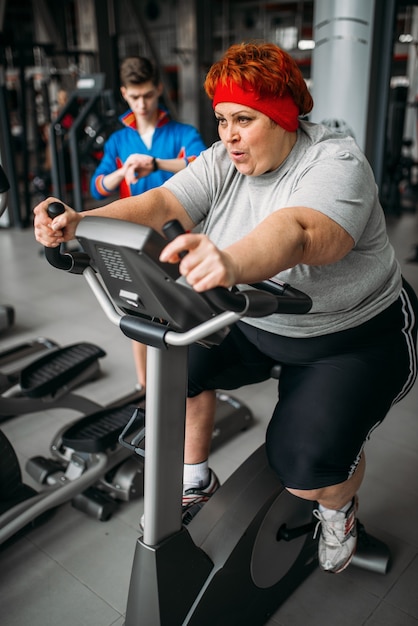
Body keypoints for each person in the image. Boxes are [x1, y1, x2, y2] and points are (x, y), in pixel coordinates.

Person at [34, 41, 418, 575]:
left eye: (243, 119)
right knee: (175, 368)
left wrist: (230, 260)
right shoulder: (224, 161)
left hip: (350, 335)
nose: (229, 135)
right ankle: (196, 479)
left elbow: (303, 232)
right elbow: (164, 203)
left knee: (305, 467)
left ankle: (339, 508)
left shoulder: (336, 162)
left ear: (284, 117)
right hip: (256, 315)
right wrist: (82, 220)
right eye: (221, 120)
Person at [90, 56, 206, 388]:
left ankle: (190, 382)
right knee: (137, 311)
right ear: (125, 94)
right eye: (134, 97)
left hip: (174, 238)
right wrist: (120, 173)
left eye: (148, 96)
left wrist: (156, 164)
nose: (142, 104)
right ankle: (145, 387)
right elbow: (97, 187)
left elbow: (201, 166)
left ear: (158, 90)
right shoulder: (117, 141)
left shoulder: (182, 133)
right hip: (131, 239)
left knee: (183, 311)